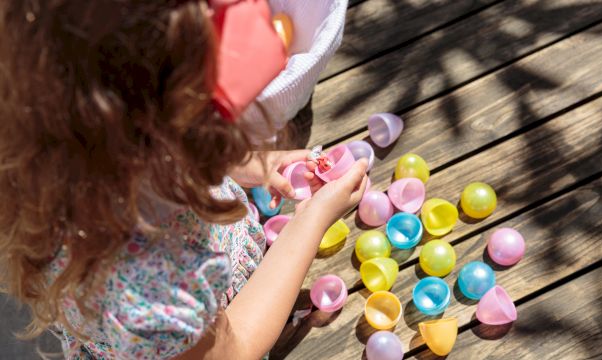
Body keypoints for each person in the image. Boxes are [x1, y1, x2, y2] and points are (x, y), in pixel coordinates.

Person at [0, 1, 368, 359]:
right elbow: (233, 349)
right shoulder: (154, 288)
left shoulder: (43, 141)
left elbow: (170, 151)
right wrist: (309, 221)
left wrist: (250, 163)